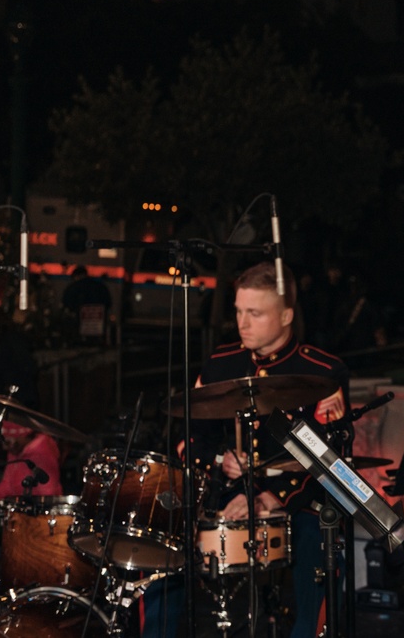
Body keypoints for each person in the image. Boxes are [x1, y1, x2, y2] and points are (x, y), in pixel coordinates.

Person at [141, 261, 350, 638]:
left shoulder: (321, 371)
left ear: (286, 315)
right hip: (225, 490)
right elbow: (189, 440)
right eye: (238, 311)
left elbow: (329, 461)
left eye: (255, 313)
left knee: (319, 539)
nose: (242, 323)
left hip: (297, 498)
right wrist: (221, 460)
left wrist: (272, 498)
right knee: (159, 543)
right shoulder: (222, 364)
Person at [0, 421, 63, 506]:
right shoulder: (15, 452)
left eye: (8, 442)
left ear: (22, 437)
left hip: (37, 514)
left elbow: (47, 495)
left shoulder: (43, 453)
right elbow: (6, 486)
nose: (4, 448)